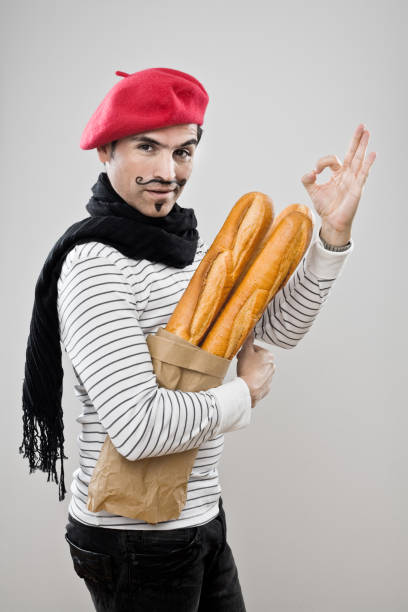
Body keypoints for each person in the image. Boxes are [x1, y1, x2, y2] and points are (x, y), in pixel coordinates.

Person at [20, 67, 375, 611]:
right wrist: (243, 395)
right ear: (105, 151)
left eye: (183, 151)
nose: (168, 171)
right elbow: (138, 430)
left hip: (196, 515)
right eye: (147, 147)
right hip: (134, 537)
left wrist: (330, 237)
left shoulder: (187, 249)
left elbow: (273, 331)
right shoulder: (95, 264)